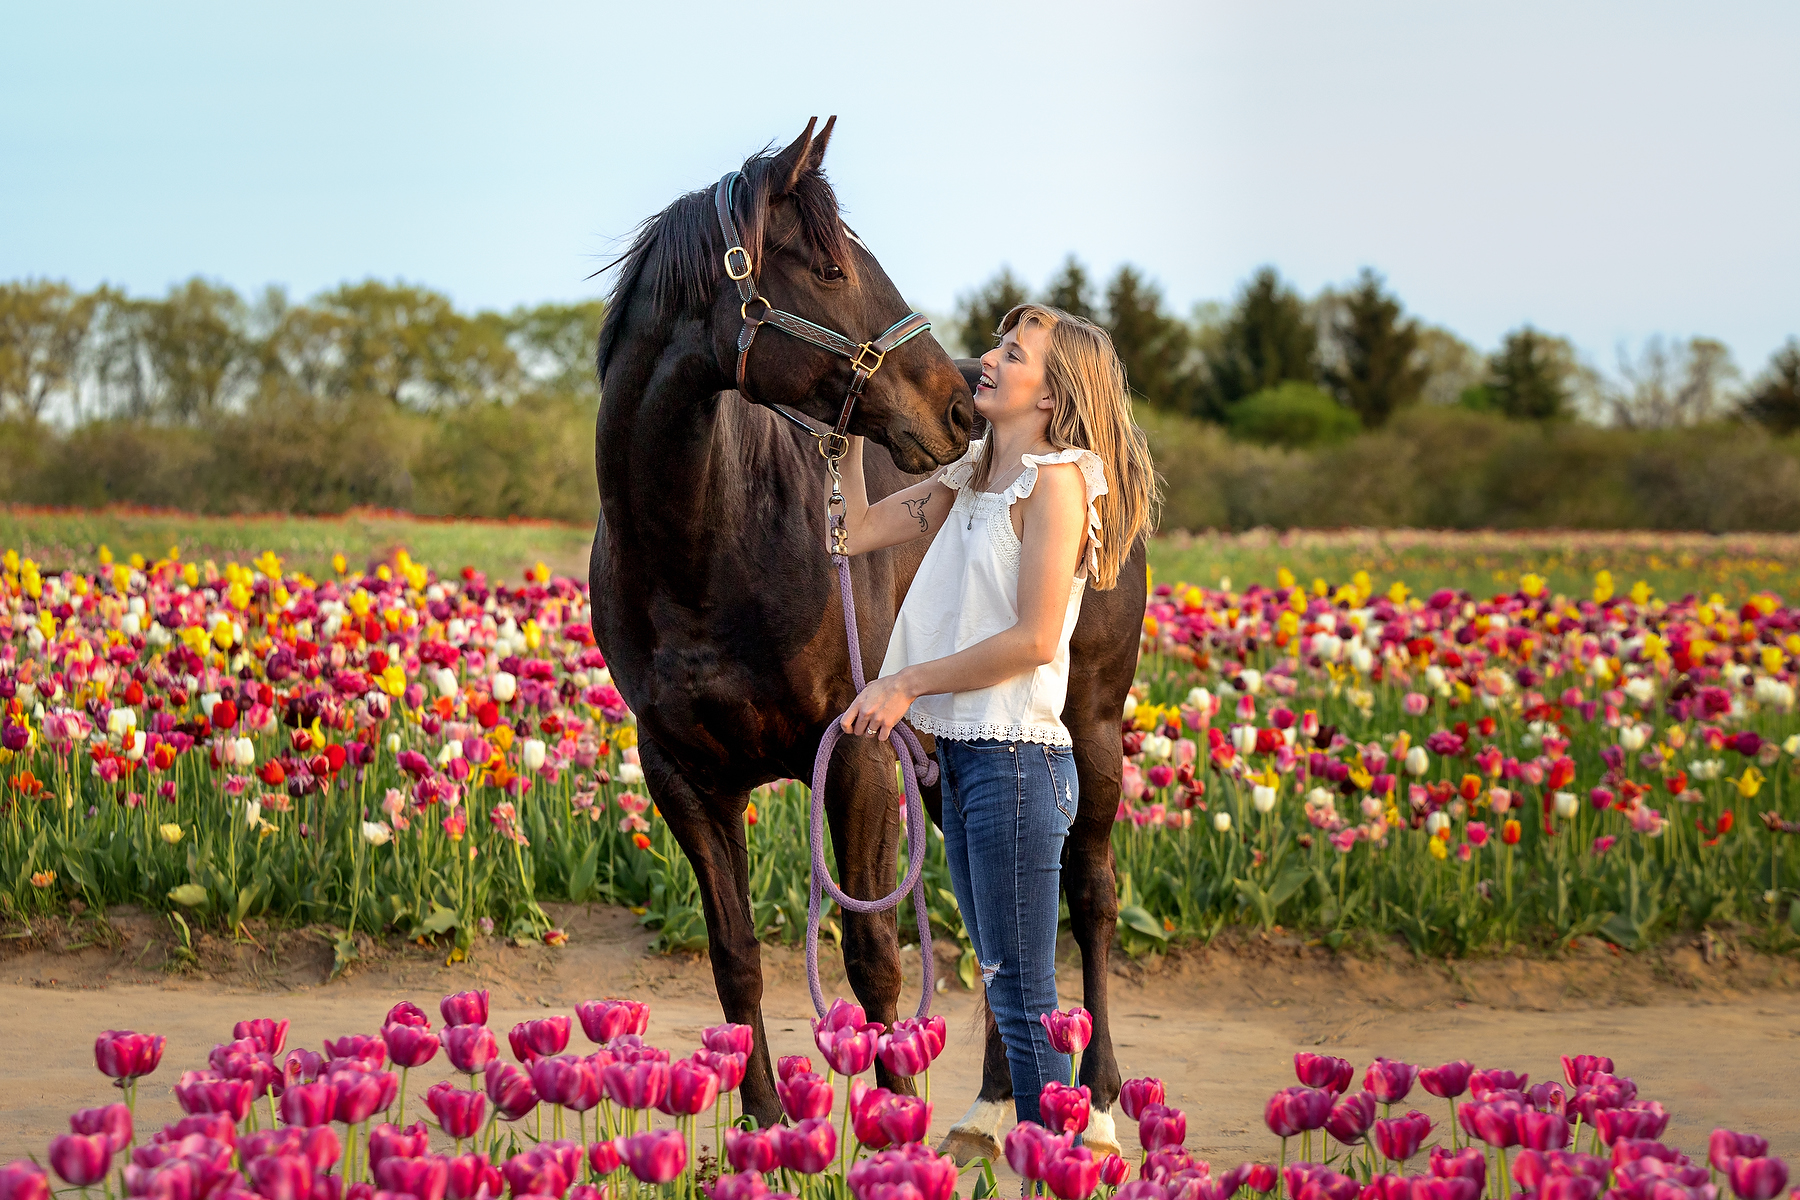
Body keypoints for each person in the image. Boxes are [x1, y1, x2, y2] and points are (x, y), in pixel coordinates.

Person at [835, 303, 1158, 1124]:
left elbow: (1034, 638)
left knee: (1023, 997)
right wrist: (839, 439)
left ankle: (1056, 1157)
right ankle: (1057, 1152)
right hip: (974, 761)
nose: (987, 358)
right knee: (1004, 979)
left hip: (1019, 763)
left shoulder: (1056, 483)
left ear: (1050, 398)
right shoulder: (971, 474)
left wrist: (904, 682)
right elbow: (858, 530)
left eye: (1012, 355)